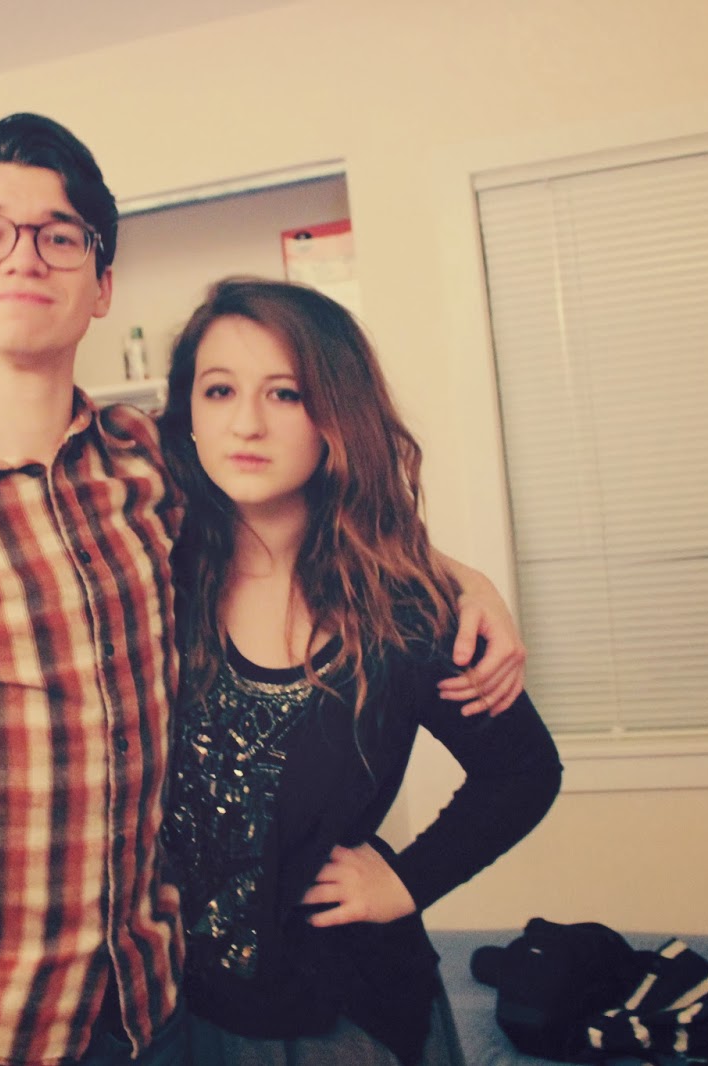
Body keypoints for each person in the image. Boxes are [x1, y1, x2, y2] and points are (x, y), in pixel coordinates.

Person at [0, 113, 528, 1066]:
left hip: (145, 1015)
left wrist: (457, 577)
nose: (22, 255)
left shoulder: (149, 467)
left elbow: (305, 497)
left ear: (101, 285)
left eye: (59, 235)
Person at [154, 277, 561, 1065]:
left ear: (336, 415)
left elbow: (523, 772)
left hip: (338, 1017)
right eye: (219, 390)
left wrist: (404, 881)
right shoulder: (153, 572)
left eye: (285, 393)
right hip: (174, 1009)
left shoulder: (402, 607)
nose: (246, 422)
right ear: (188, 415)